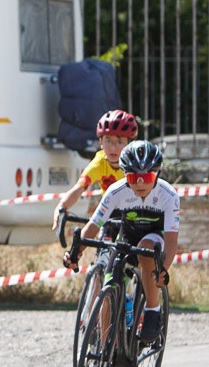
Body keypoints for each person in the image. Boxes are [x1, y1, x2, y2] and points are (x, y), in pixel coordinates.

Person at [63, 140, 179, 344]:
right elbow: (93, 225)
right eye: (134, 177)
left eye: (147, 177)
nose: (140, 183)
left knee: (145, 250)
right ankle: (107, 348)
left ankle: (152, 309)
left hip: (155, 237)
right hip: (127, 236)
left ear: (157, 174)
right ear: (125, 175)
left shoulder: (168, 195)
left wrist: (163, 270)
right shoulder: (117, 191)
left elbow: (170, 240)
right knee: (110, 281)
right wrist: (75, 253)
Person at [51, 109, 139, 232]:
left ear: (129, 144)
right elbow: (78, 189)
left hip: (136, 214)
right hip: (110, 213)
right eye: (108, 141)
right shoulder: (99, 164)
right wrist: (62, 206)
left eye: (120, 141)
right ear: (101, 142)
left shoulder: (136, 164)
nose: (113, 148)